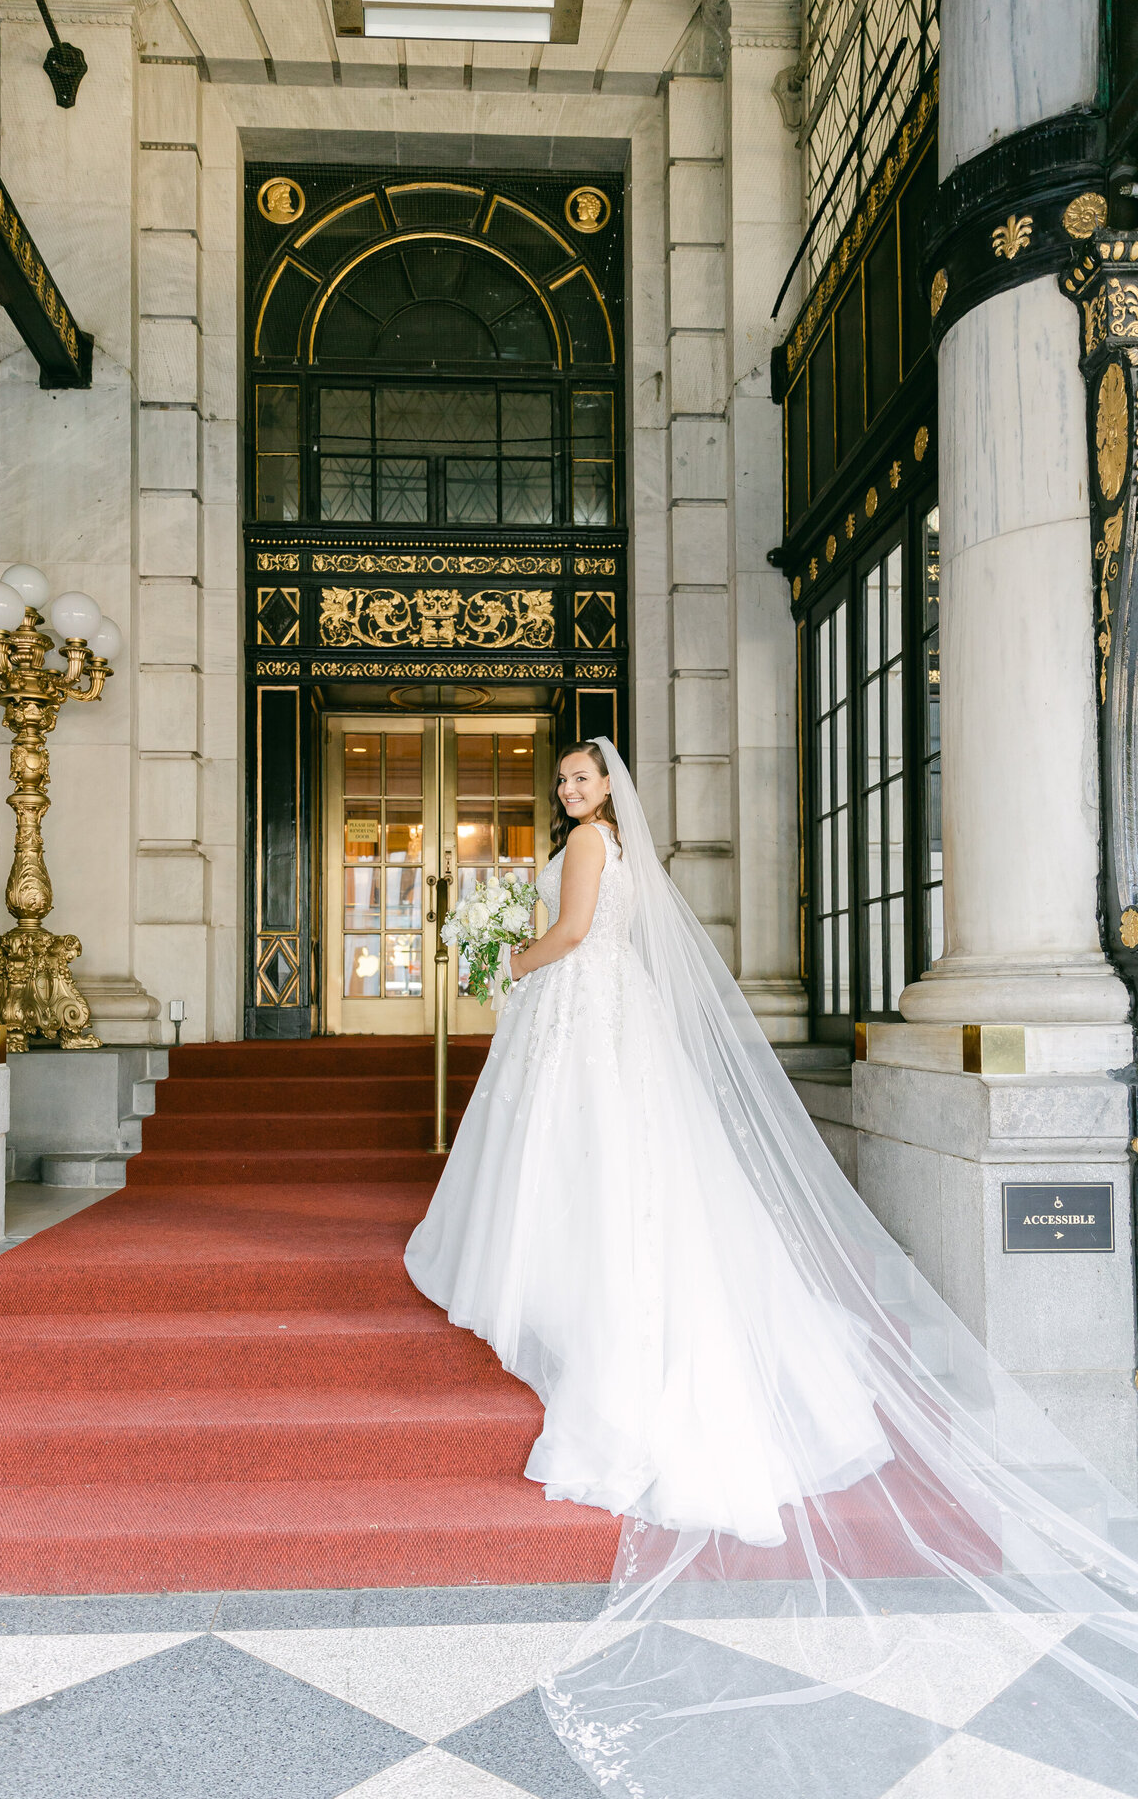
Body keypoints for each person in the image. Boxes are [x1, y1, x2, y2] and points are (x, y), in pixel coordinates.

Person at [406, 738, 1138, 1797]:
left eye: (583, 778)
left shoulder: (585, 848)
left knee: (577, 1166)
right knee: (616, 1172)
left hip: (578, 1016)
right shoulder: (615, 845)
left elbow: (567, 936)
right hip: (614, 1023)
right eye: (563, 780)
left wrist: (498, 963)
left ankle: (572, 1303)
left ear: (608, 787)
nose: (571, 791)